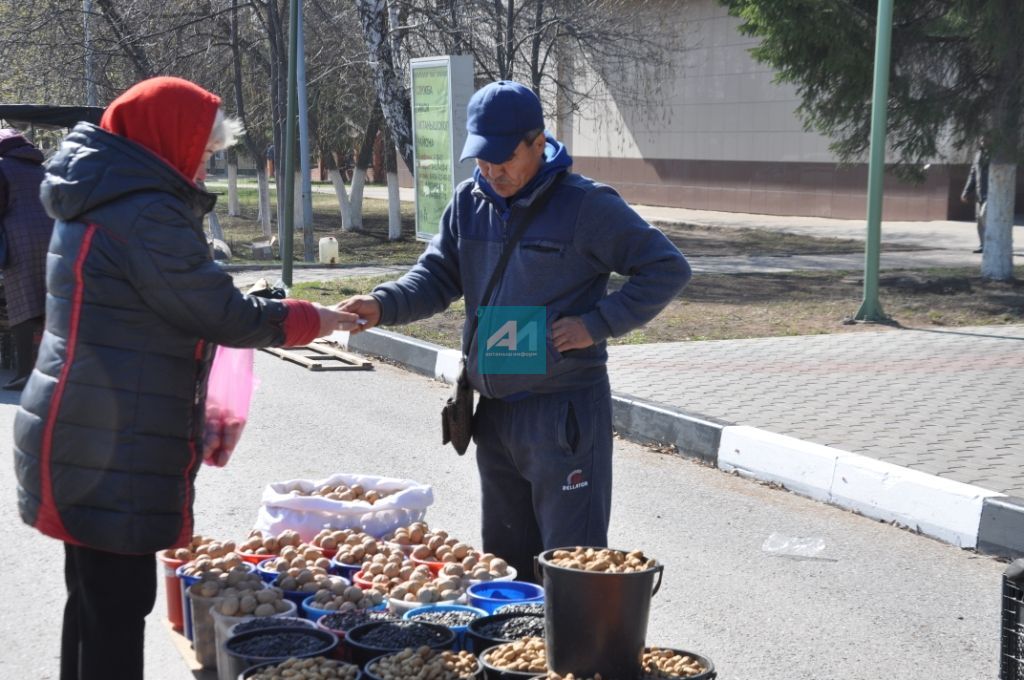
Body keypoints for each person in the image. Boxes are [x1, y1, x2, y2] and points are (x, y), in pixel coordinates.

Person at [13, 76, 359, 680]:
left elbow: (169, 296)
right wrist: (313, 317)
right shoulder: (146, 211)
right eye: (200, 154)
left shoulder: (102, 192)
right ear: (167, 143)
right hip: (110, 441)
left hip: (82, 427)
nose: (202, 168)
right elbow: (218, 312)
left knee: (94, 602)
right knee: (117, 607)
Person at [340, 80, 691, 580]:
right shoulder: (468, 202)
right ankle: (515, 656)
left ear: (537, 141)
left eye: (503, 157)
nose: (491, 169)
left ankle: (578, 658)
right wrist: (381, 304)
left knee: (573, 568)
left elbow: (667, 268)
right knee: (505, 566)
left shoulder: (586, 206)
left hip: (563, 413)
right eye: (482, 157)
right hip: (495, 415)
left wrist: (597, 323)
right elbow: (437, 277)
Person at [0, 129, 53, 390]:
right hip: (53, 236)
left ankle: (25, 374)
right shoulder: (41, 169)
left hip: (20, 240)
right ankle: (50, 369)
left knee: (22, 304)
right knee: (47, 302)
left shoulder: (3, 168)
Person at [961, 145, 988, 254]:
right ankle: (983, 246)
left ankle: (993, 243)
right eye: (981, 139)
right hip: (979, 194)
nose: (983, 141)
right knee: (979, 222)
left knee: (984, 216)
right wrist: (966, 192)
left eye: (985, 138)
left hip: (991, 194)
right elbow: (972, 175)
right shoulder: (978, 155)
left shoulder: (995, 154)